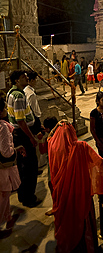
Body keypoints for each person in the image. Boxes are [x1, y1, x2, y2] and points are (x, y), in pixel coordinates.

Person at [48, 121, 103, 252]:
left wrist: (57, 127)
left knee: (67, 220)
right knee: (82, 220)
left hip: (62, 194)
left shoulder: (53, 146)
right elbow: (99, 162)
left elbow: (49, 138)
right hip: (80, 192)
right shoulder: (81, 147)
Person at [7, 70, 40, 208]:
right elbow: (21, 120)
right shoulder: (19, 96)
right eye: (22, 77)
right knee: (30, 167)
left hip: (18, 134)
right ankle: (28, 197)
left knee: (23, 166)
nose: (26, 78)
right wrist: (31, 137)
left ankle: (23, 195)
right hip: (23, 135)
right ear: (16, 81)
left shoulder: (11, 92)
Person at [0, 98, 26, 238]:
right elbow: (6, 151)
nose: (5, 110)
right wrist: (16, 149)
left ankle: (8, 216)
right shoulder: (3, 127)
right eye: (4, 108)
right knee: (4, 194)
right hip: (3, 167)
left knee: (5, 193)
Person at [24, 71, 42, 136]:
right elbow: (33, 109)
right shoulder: (31, 94)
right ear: (32, 80)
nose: (36, 81)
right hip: (34, 120)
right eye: (35, 79)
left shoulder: (25, 90)